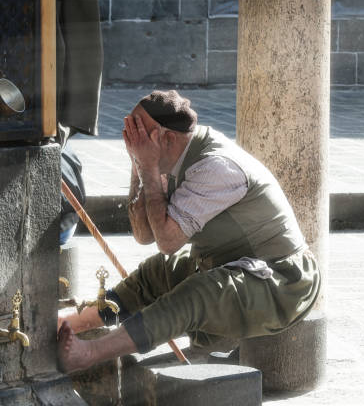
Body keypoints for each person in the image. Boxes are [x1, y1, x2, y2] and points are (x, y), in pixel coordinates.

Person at [57, 90, 320, 373]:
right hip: (230, 263)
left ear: (167, 138)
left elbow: (167, 241)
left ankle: (91, 352)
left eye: (138, 133)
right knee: (157, 273)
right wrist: (140, 165)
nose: (131, 140)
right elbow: (144, 235)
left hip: (282, 282)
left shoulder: (216, 167)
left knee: (194, 293)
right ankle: (74, 322)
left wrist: (147, 166)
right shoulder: (172, 155)